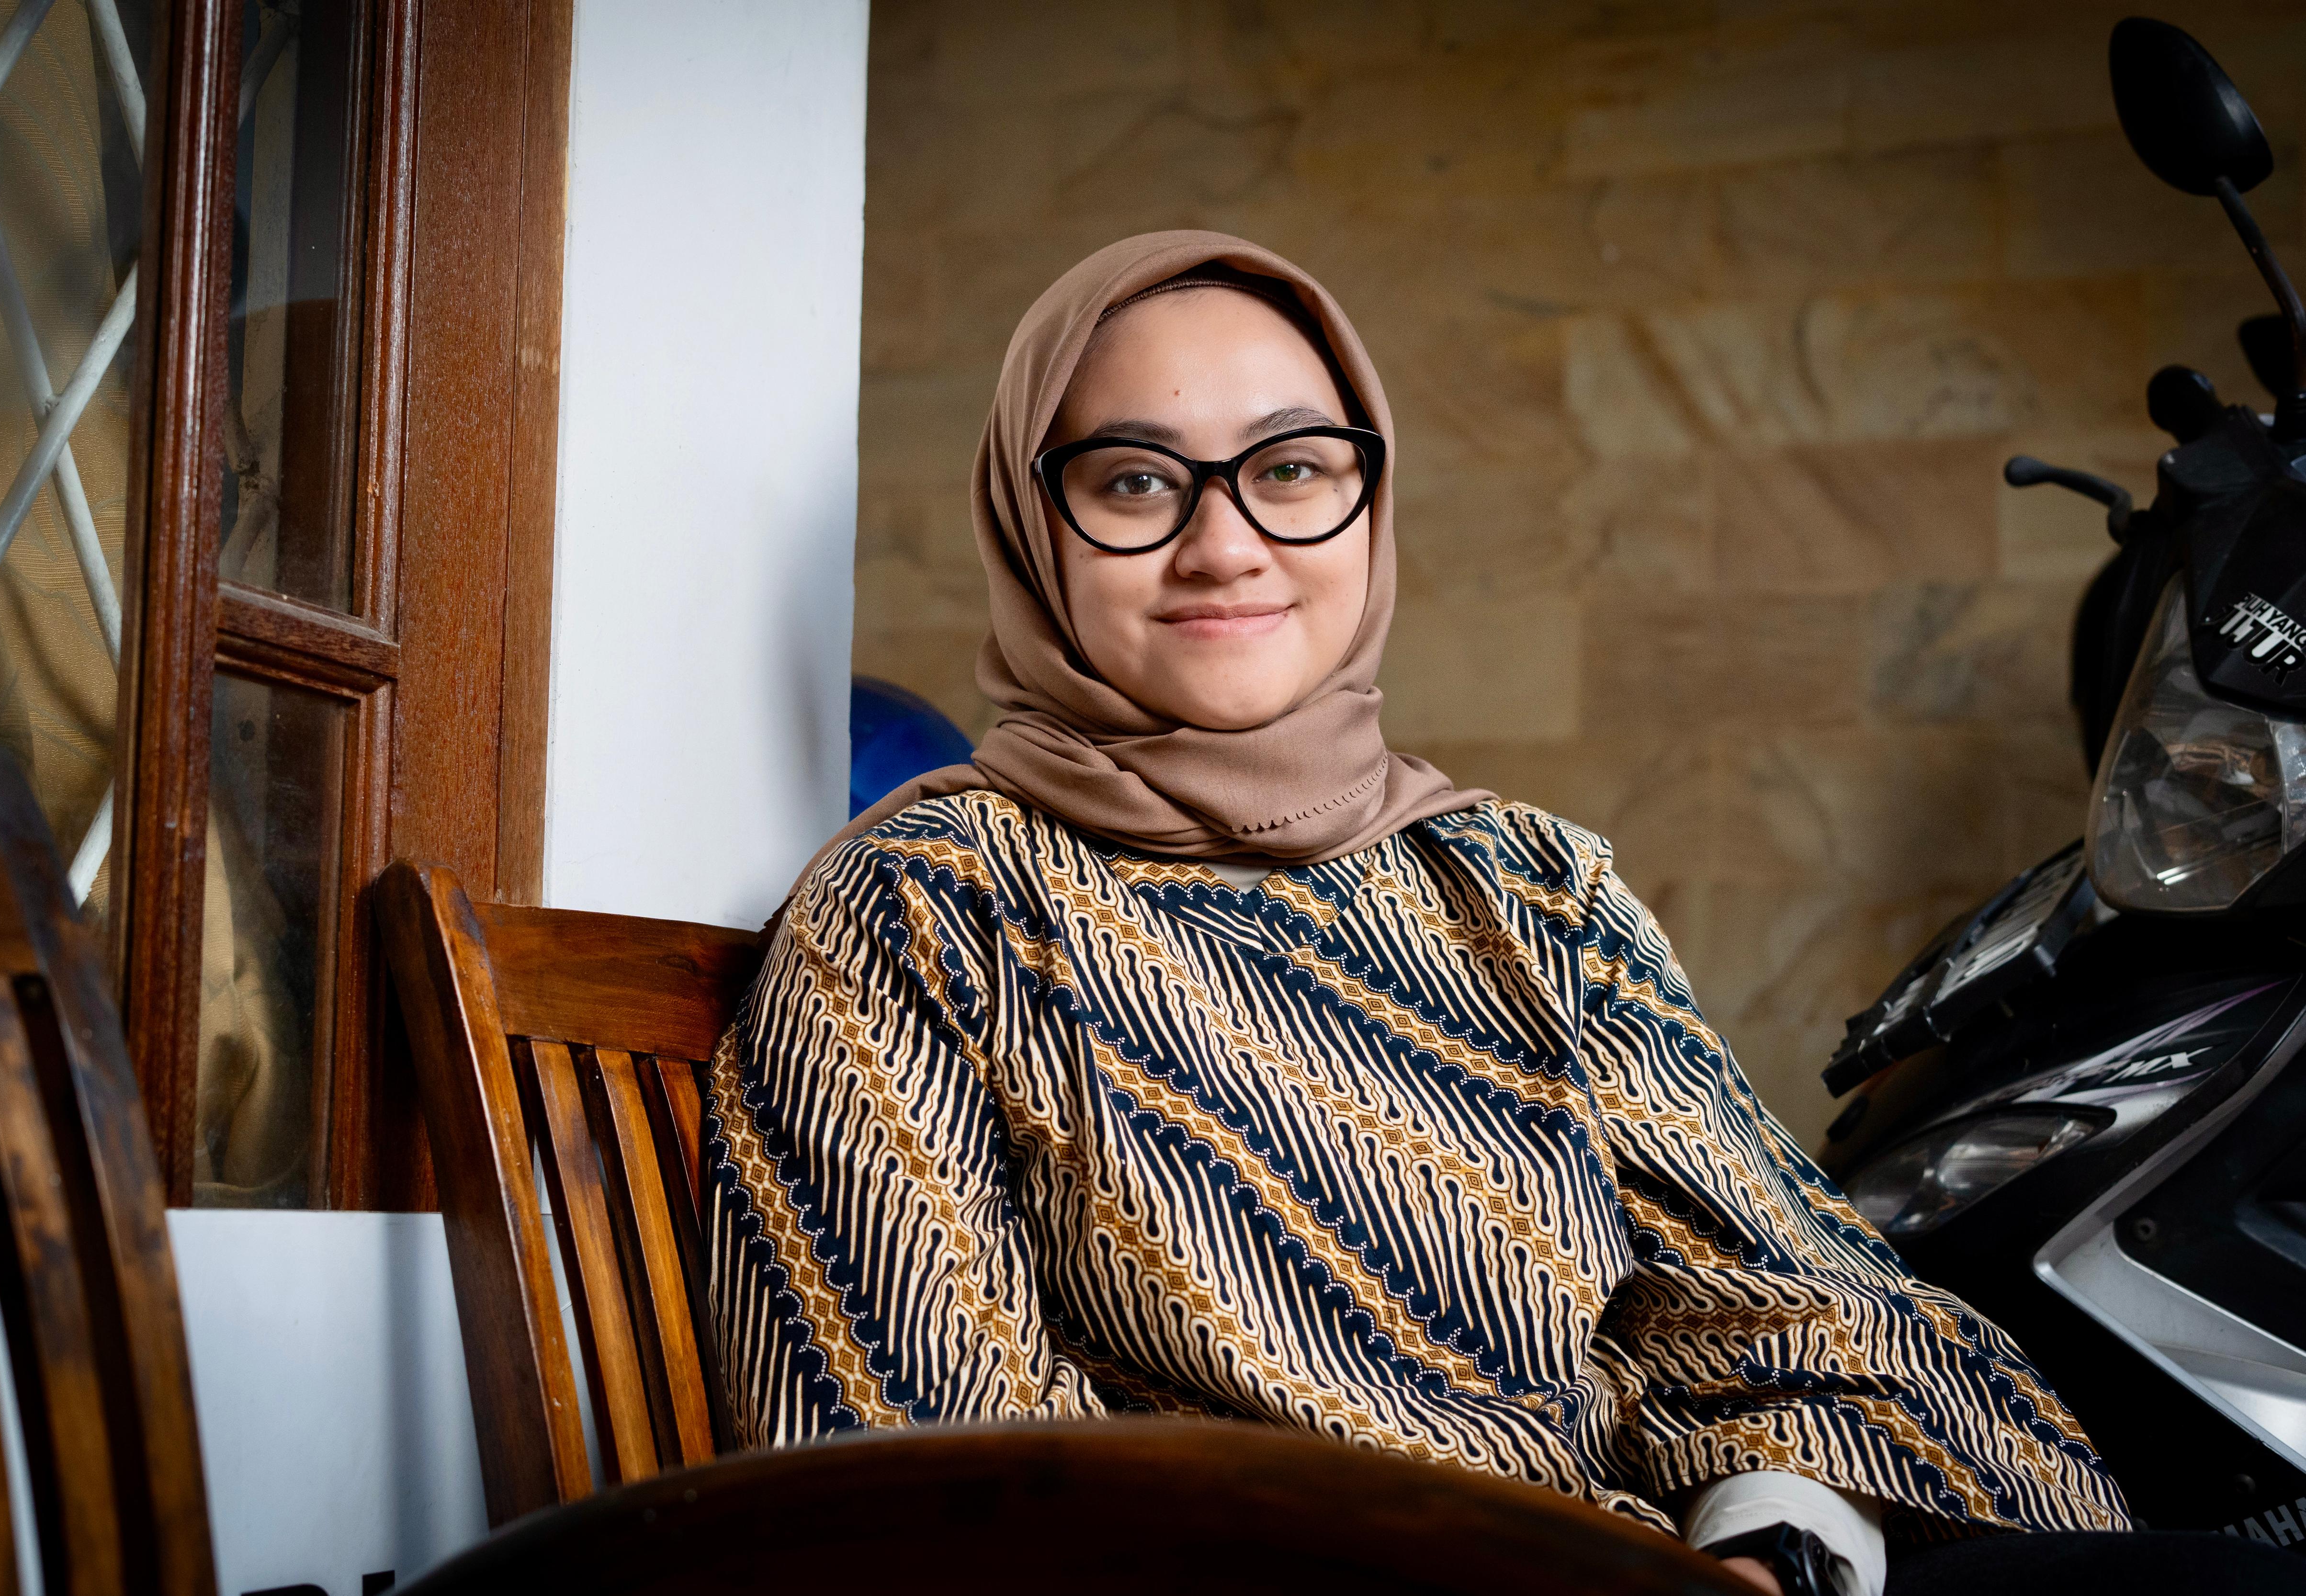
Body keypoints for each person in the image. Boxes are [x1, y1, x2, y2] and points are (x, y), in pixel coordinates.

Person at [701, 231, 2298, 1596]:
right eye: (1132, 479)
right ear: (1032, 523)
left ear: (1368, 500)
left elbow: (1785, 1292)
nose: (1224, 542)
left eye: (1292, 469)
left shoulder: (1524, 884)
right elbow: (897, 1447)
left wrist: (1773, 1541)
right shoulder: (932, 903)